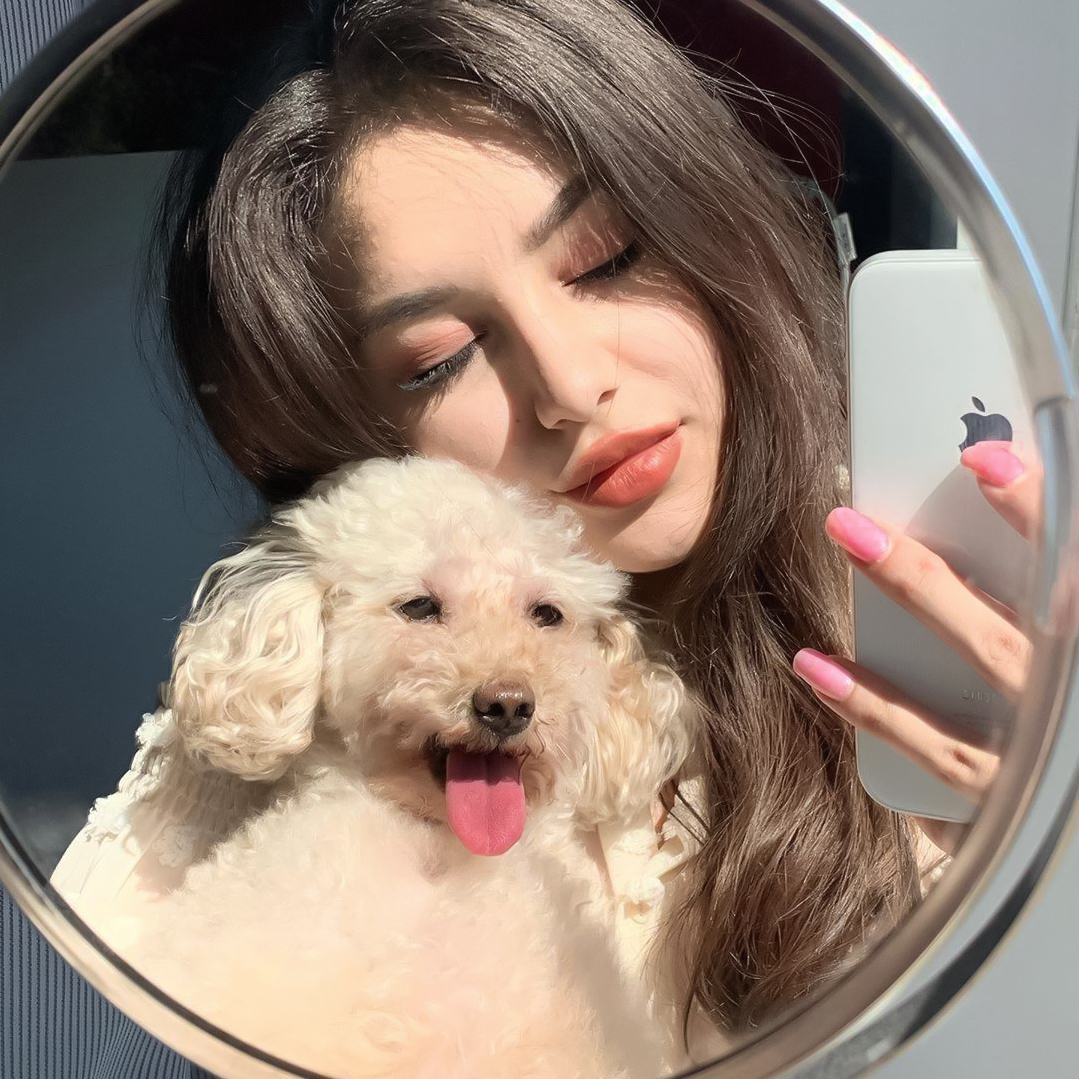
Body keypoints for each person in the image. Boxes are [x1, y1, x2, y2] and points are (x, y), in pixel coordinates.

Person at [53, 0, 1038, 1056]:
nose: (570, 385)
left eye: (606, 260)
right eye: (439, 357)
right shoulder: (276, 738)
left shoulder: (966, 613)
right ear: (358, 431)